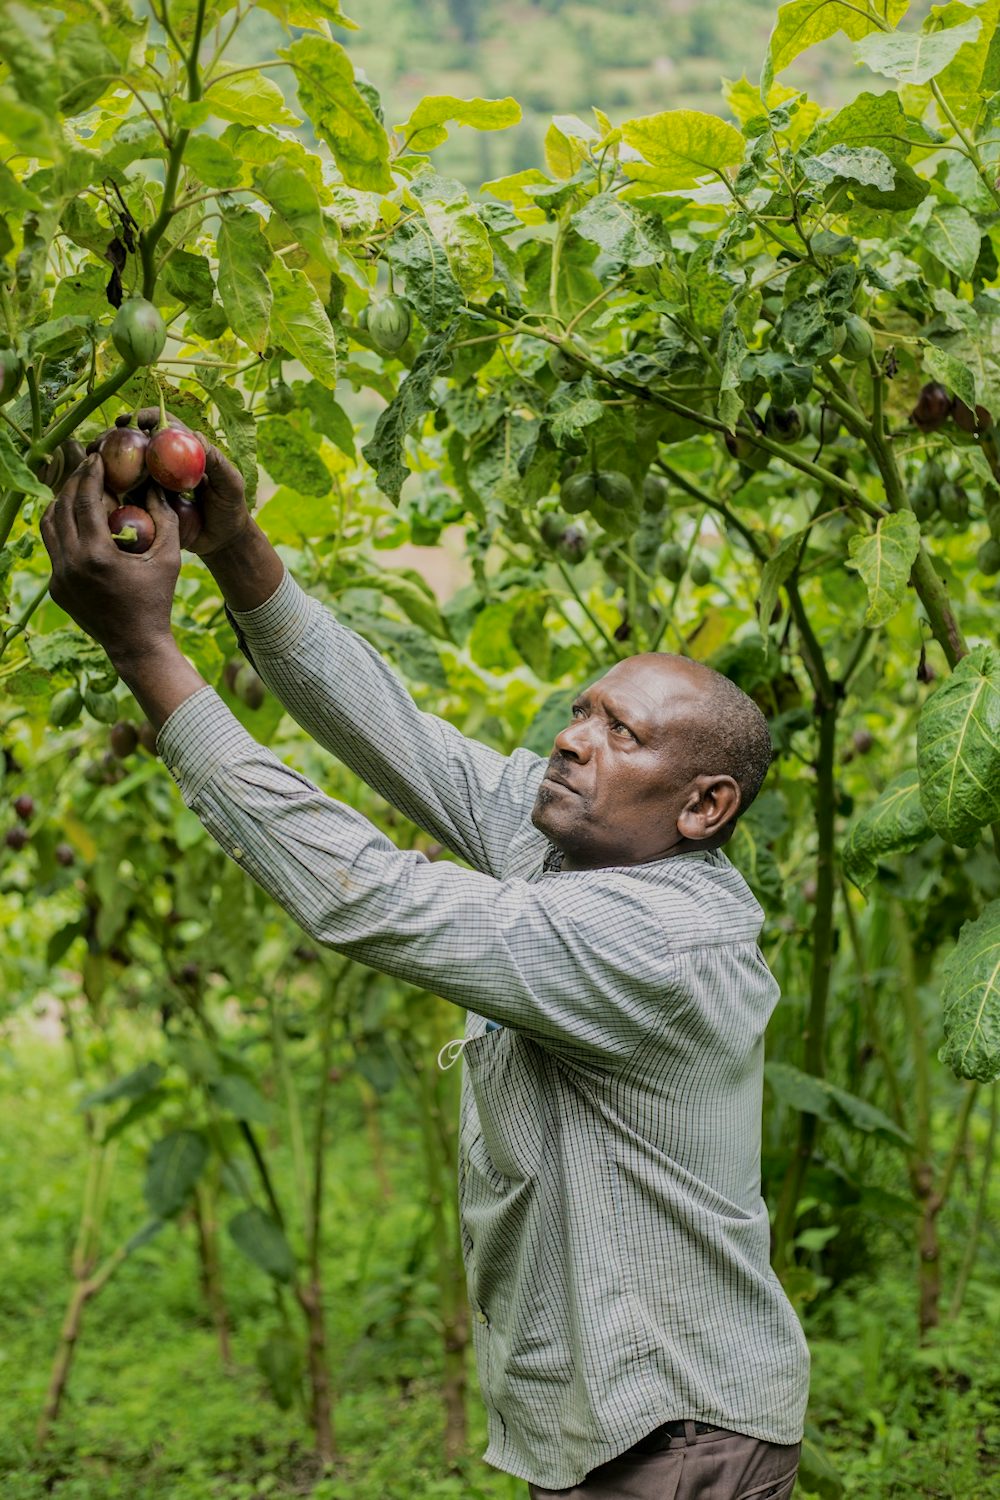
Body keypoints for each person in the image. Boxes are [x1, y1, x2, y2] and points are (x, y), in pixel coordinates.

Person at [41, 419, 810, 1499]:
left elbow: (370, 894)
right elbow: (394, 728)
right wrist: (236, 550)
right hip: (617, 1426)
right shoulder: (573, 848)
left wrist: (145, 654)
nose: (575, 737)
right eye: (581, 710)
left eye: (622, 735)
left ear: (704, 806)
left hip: (679, 1436)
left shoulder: (660, 941)